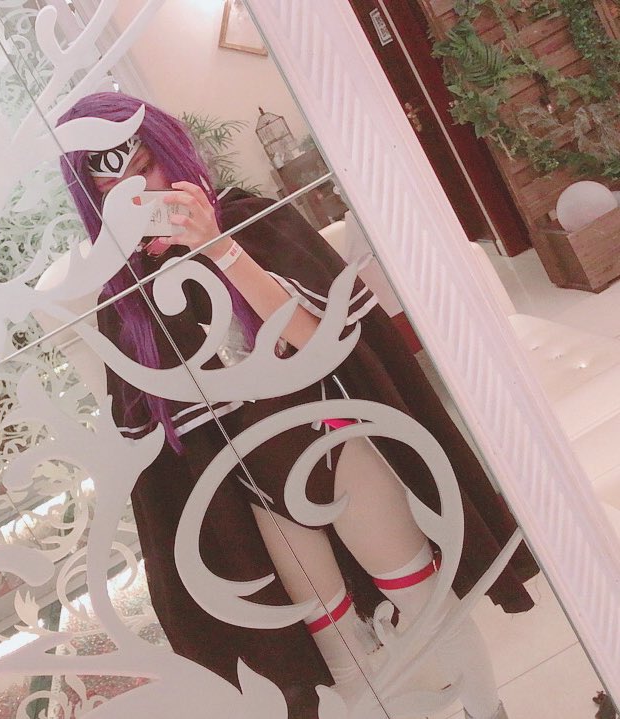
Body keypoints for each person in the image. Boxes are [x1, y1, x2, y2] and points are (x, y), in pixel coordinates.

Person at [57, 92, 537, 719]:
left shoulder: (248, 219)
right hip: (253, 482)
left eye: (144, 167)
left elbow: (315, 336)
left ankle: (489, 713)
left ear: (169, 152)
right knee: (337, 651)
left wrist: (218, 246)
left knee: (426, 603)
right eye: (113, 186)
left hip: (330, 439)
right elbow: (161, 443)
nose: (138, 193)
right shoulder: (126, 298)